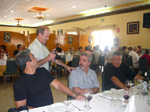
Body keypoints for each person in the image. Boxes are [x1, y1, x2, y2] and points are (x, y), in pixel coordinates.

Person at [13, 50, 84, 109]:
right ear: (28, 64)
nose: (36, 58)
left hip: (50, 108)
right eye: (33, 57)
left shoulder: (42, 71)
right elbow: (21, 108)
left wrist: (75, 95)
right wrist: (42, 110)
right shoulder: (20, 83)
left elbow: (58, 85)